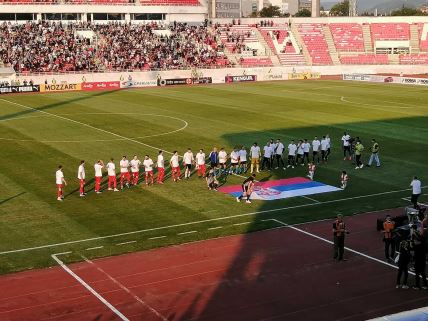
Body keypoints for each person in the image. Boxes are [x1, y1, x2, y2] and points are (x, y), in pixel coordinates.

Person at [411, 224, 428, 290]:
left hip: (418, 259)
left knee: (417, 273)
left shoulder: (416, 246)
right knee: (423, 272)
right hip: (423, 258)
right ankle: (425, 285)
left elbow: (413, 245)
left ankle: (417, 286)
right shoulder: (423, 241)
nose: (415, 241)